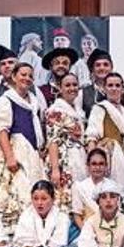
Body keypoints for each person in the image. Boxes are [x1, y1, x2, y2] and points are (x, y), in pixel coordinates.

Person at [0, 63, 47, 232]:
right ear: (13, 77)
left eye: (30, 75)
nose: (27, 78)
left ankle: (33, 230)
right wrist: (10, 157)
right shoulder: (6, 100)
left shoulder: (34, 101)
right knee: (18, 191)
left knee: (33, 190)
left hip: (33, 153)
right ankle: (15, 231)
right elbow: (1, 130)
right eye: (23, 74)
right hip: (17, 151)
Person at [46, 73, 88, 213]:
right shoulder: (55, 110)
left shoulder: (78, 110)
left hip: (79, 156)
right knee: (64, 199)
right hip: (63, 159)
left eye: (74, 85)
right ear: (60, 87)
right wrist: (55, 169)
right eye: (67, 85)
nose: (72, 88)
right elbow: (53, 140)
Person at [86, 73, 124, 186]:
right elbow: (91, 137)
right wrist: (91, 163)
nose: (114, 89)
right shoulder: (99, 108)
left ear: (122, 89)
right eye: (110, 85)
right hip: (109, 156)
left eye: (117, 85)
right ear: (104, 88)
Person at [70, 149, 119, 230]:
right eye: (94, 164)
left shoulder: (112, 186)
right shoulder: (79, 187)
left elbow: (117, 214)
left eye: (101, 164)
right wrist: (87, 234)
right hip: (86, 230)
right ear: (88, 166)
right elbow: (77, 215)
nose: (97, 167)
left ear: (106, 166)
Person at [80, 48, 118, 116]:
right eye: (98, 65)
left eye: (106, 65)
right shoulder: (82, 93)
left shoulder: (123, 93)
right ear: (92, 69)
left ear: (111, 68)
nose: (102, 68)